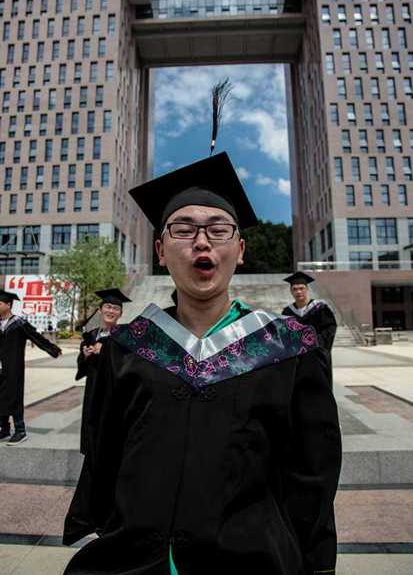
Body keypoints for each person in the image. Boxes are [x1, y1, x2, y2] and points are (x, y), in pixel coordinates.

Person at [63, 152, 342, 575]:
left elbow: (313, 473)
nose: (202, 241)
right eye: (183, 229)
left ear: (240, 250)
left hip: (251, 562)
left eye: (218, 229)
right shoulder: (127, 348)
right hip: (135, 560)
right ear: (160, 250)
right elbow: (104, 454)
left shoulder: (288, 348)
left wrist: (315, 561)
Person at [0, 290, 62, 445]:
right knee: (1, 397)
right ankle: (4, 429)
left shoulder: (19, 323)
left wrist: (52, 349)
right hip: (0, 367)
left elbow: (36, 337)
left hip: (14, 367)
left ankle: (20, 431)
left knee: (14, 396)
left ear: (8, 305)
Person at [76, 288, 131, 455]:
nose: (111, 311)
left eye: (115, 308)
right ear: (100, 310)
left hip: (114, 392)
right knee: (92, 430)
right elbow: (83, 369)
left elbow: (130, 364)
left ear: (121, 314)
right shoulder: (91, 335)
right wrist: (85, 356)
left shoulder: (125, 337)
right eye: (107, 307)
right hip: (93, 390)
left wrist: (107, 351)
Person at [282, 272, 337, 387]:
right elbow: (284, 333)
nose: (298, 292)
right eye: (295, 289)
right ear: (291, 291)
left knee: (318, 388)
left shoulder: (320, 308)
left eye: (301, 288)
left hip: (317, 356)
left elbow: (330, 329)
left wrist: (314, 342)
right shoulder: (287, 312)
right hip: (297, 358)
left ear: (307, 289)